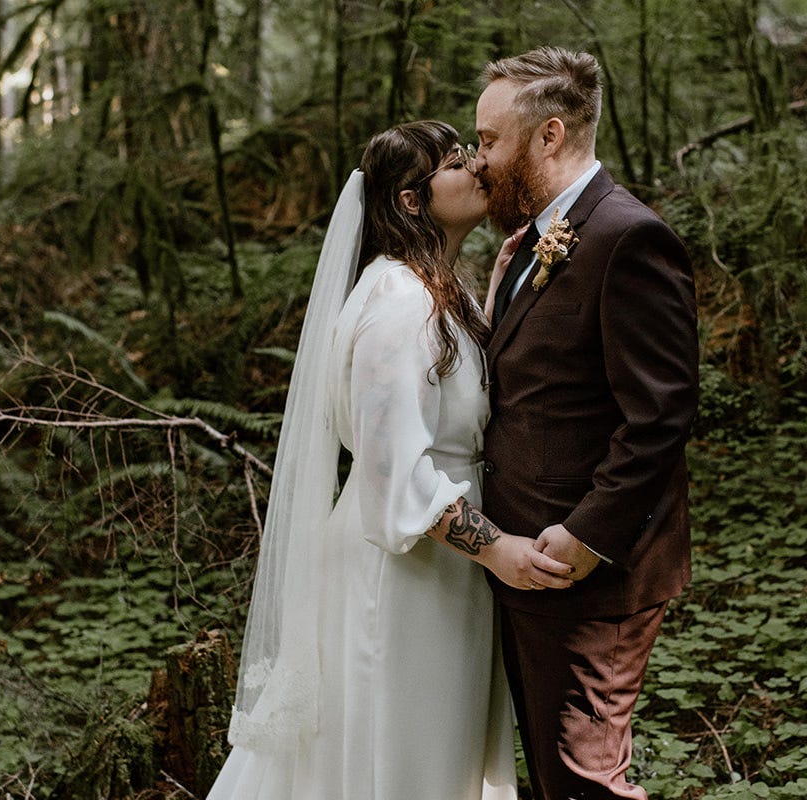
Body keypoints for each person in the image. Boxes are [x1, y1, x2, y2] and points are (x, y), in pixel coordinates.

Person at [206, 120, 575, 800]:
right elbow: (391, 468)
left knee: (434, 751)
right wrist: (496, 549)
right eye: (455, 162)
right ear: (411, 201)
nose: (476, 167)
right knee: (396, 754)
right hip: (400, 566)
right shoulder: (396, 304)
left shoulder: (439, 292)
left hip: (439, 566)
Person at [474, 48, 700, 799]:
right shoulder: (537, 238)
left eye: (487, 141)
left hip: (589, 572)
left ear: (548, 136)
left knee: (584, 783)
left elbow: (660, 413)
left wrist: (589, 532)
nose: (478, 163)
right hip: (529, 563)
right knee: (551, 776)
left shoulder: (626, 237)